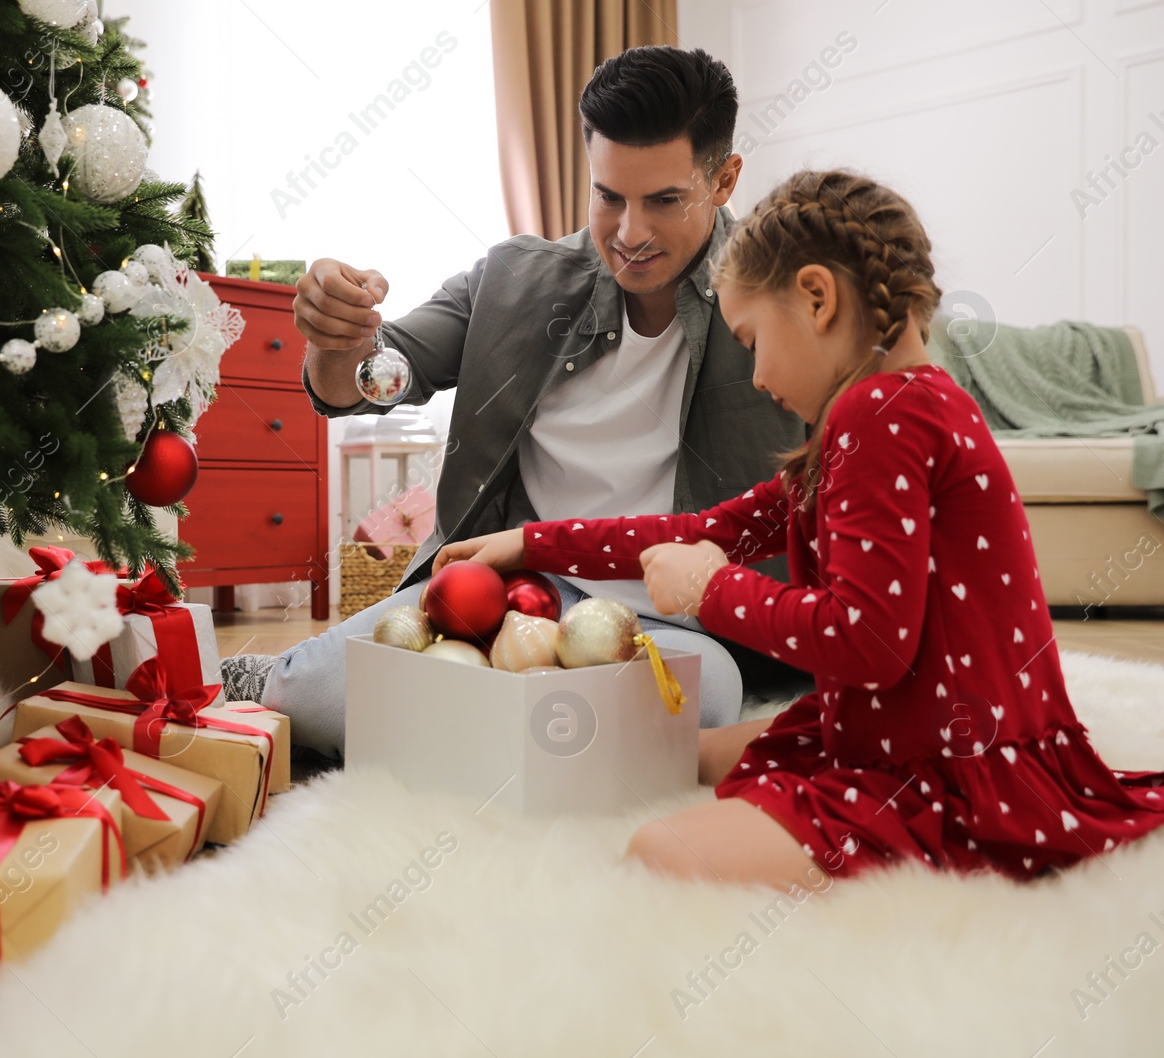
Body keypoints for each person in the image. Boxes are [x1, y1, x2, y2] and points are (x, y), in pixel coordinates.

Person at [435, 168, 1164, 888]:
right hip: (921, 725)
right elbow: (701, 526)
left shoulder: (877, 418)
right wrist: (530, 541)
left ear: (816, 297)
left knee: (661, 850)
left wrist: (713, 591)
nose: (753, 376)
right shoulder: (905, 407)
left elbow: (870, 640)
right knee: (685, 750)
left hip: (941, 768)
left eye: (753, 341)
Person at [220, 46, 811, 757]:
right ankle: (500, 734)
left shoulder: (780, 294)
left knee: (702, 694)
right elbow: (373, 380)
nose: (630, 233)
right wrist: (333, 339)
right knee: (305, 702)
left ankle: (469, 736)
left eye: (664, 200)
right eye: (608, 196)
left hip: (676, 623)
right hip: (505, 591)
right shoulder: (513, 280)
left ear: (723, 180)